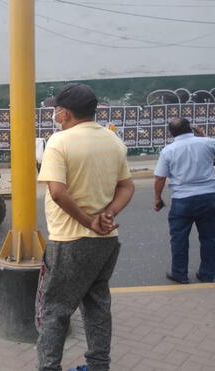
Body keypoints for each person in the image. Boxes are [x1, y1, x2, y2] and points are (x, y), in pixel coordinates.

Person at [36, 84, 135, 371]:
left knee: (55, 310)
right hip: (106, 241)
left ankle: (49, 367)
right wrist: (109, 213)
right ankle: (98, 365)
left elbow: (57, 191)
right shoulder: (113, 141)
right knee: (97, 305)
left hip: (70, 240)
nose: (54, 113)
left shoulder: (59, 142)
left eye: (55, 109)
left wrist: (88, 220)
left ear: (65, 113)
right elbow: (127, 186)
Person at [153, 118, 215, 284]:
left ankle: (180, 274)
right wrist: (203, 136)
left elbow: (160, 178)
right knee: (210, 238)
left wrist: (157, 198)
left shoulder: (168, 150)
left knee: (179, 238)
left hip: (182, 199)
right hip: (209, 197)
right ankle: (208, 274)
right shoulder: (207, 143)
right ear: (191, 129)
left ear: (171, 133)